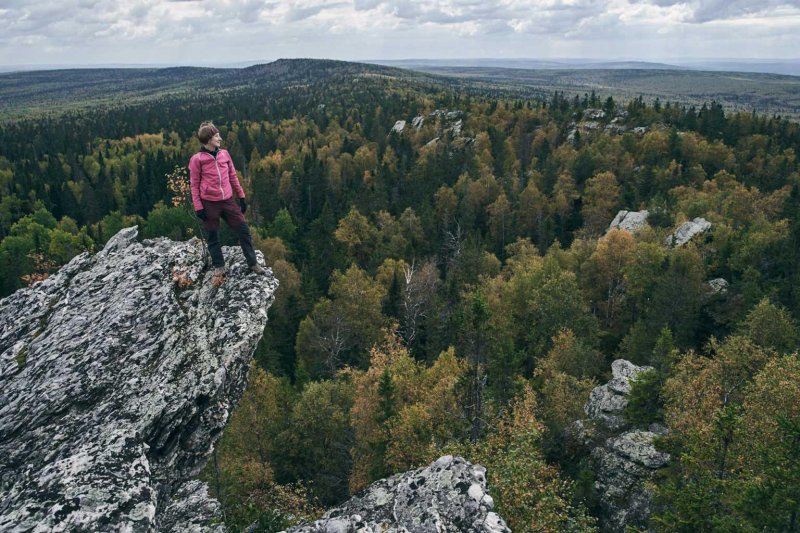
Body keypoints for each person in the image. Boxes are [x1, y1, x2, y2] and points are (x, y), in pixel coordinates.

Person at [189, 121, 266, 285]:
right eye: (217, 136)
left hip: (228, 200)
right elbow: (194, 185)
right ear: (209, 139)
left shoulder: (224, 154)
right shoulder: (197, 160)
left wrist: (242, 196)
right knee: (213, 235)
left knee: (243, 229)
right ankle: (219, 266)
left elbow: (233, 176)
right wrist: (198, 206)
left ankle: (253, 263)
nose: (220, 139)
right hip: (209, 203)